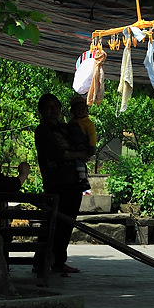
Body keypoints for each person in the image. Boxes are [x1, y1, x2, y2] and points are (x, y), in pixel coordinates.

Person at [34, 92, 89, 276]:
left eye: (56, 106)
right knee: (53, 222)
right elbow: (58, 154)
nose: (53, 110)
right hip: (56, 182)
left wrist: (78, 154)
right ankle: (41, 261)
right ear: (42, 111)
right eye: (48, 107)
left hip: (74, 181)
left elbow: (83, 148)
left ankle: (59, 261)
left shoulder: (67, 128)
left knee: (67, 224)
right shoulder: (42, 130)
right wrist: (76, 155)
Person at [68, 95, 96, 193]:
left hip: (82, 146)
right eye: (77, 109)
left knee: (79, 160)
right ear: (72, 111)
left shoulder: (88, 123)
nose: (80, 111)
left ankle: (82, 178)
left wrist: (92, 147)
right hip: (72, 146)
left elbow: (92, 135)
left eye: (83, 109)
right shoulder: (71, 122)